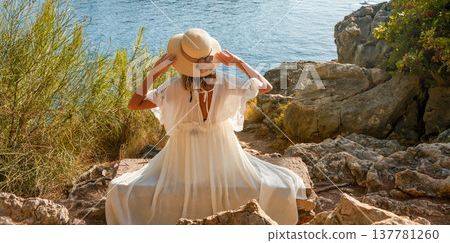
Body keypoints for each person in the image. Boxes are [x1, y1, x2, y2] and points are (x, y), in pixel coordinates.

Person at [105, 28, 307, 225]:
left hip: (183, 158)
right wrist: (239, 63)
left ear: (181, 63)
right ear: (211, 58)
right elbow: (265, 86)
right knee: (271, 181)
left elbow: (134, 104)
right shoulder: (226, 83)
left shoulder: (173, 88)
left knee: (122, 188)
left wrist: (156, 70)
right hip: (223, 154)